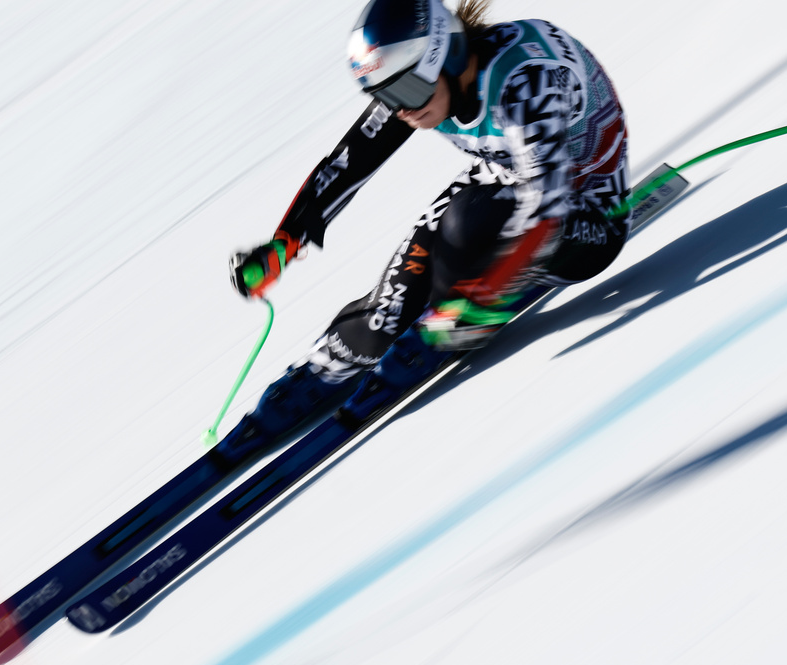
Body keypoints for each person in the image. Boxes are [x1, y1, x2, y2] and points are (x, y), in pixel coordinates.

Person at [215, 0, 630, 464]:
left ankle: (452, 308)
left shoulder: (525, 84)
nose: (401, 110)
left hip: (588, 214)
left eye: (406, 91)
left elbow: (547, 212)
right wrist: (284, 243)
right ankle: (328, 365)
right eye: (385, 94)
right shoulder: (419, 87)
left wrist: (471, 305)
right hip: (507, 178)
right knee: (386, 313)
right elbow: (349, 162)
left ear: (449, 57)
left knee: (464, 231)